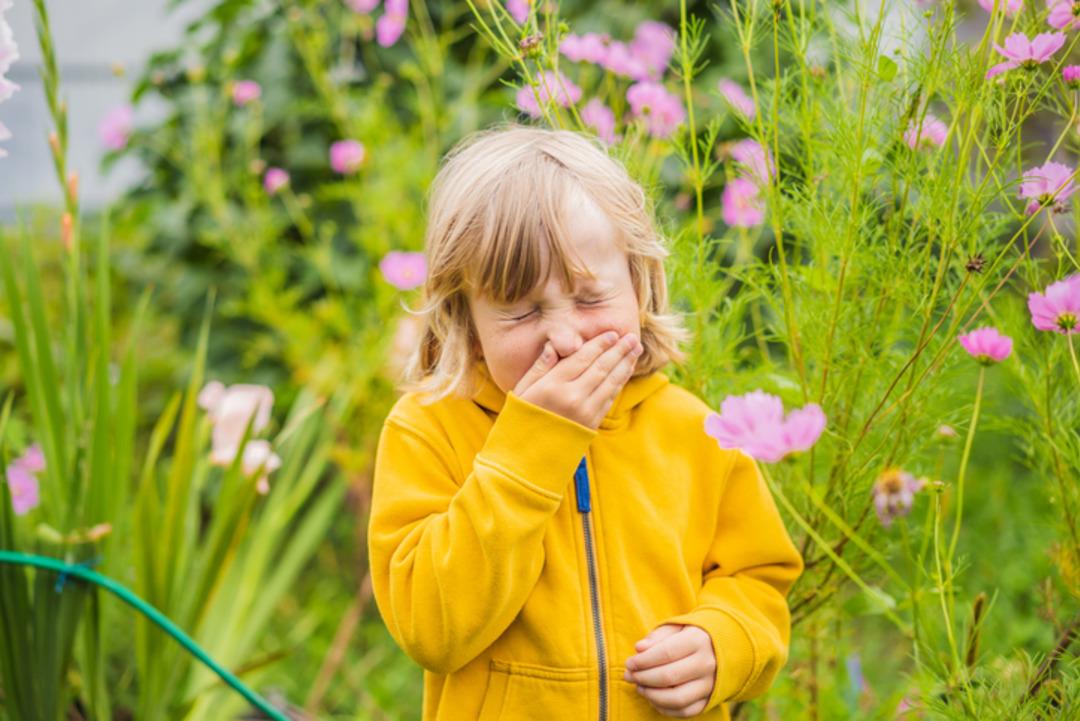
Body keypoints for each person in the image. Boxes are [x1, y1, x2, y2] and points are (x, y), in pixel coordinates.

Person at [367, 122, 804, 721]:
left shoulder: (694, 432)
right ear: (464, 318)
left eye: (592, 298)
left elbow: (757, 580)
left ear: (640, 284)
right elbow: (432, 629)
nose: (566, 338)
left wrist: (721, 642)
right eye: (520, 312)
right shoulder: (429, 430)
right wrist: (531, 449)